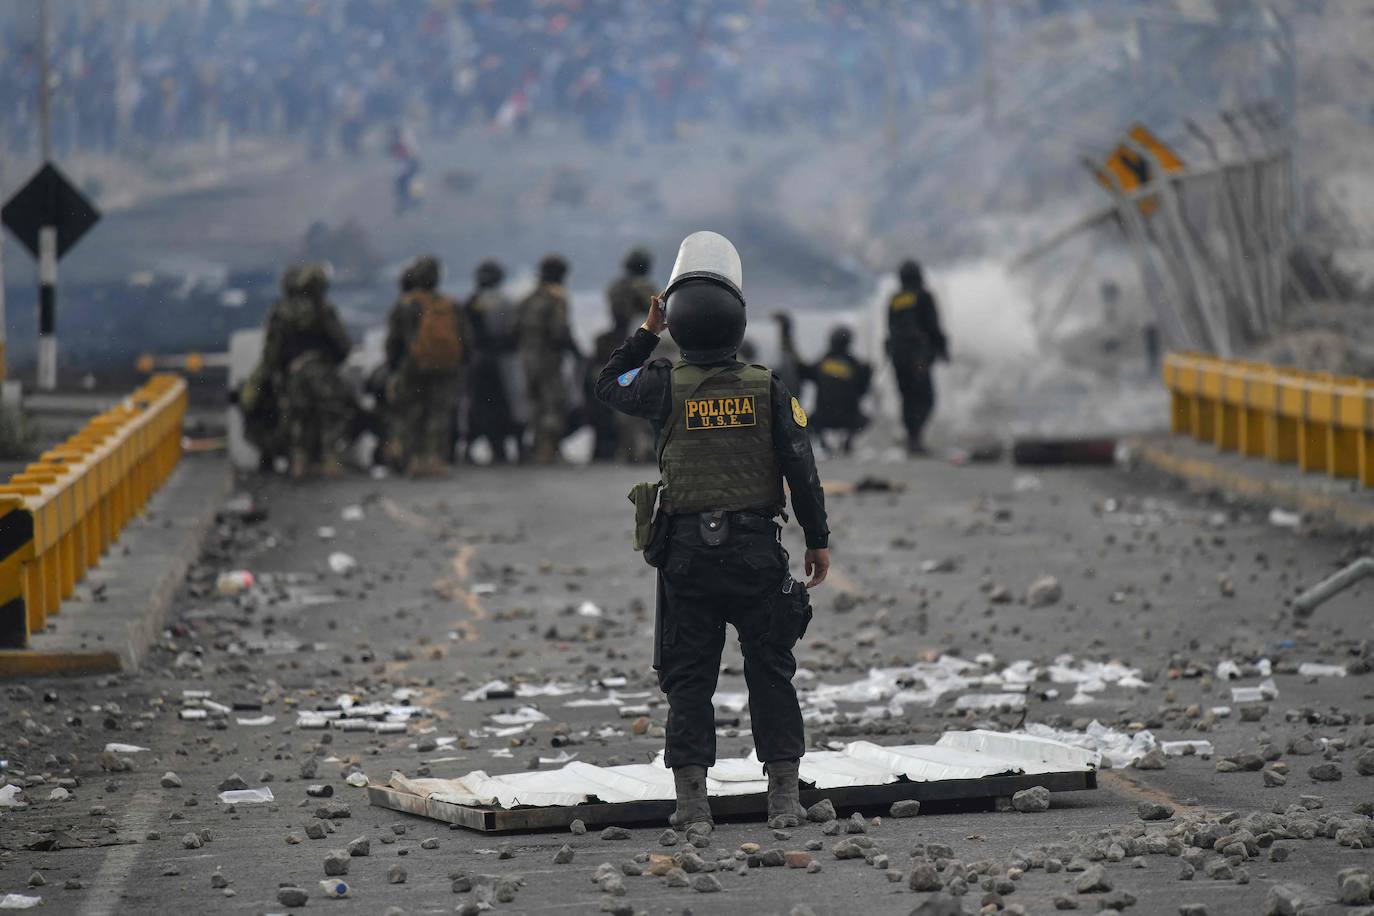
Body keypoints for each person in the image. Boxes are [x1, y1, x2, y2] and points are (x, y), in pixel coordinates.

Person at [595, 231, 830, 833]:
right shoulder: (767, 386)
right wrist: (818, 537)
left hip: (687, 558)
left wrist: (647, 333)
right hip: (756, 555)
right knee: (771, 674)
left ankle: (694, 806)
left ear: (680, 324)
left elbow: (606, 385)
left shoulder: (660, 385)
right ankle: (783, 801)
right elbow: (801, 466)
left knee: (690, 682)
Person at [261, 262, 353, 479]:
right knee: (332, 414)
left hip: (293, 373)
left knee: (298, 417)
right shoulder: (324, 309)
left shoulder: (280, 311)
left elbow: (271, 351)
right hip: (322, 372)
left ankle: (299, 464)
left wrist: (280, 371)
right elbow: (342, 345)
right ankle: (331, 461)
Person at [385, 255, 468, 475]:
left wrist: (392, 367)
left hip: (410, 367)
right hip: (444, 367)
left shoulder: (404, 304)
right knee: (438, 413)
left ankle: (413, 461)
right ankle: (435, 462)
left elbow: (393, 342)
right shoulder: (449, 304)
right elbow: (465, 338)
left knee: (413, 412)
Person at [517, 254, 580, 464]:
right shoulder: (557, 298)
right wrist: (577, 353)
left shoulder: (527, 299)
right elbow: (560, 332)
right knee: (553, 402)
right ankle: (549, 450)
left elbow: (512, 329)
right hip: (550, 359)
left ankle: (536, 448)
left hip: (527, 359)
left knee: (535, 403)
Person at [887, 259, 948, 455]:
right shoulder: (924, 296)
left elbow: (891, 329)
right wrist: (943, 349)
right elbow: (933, 326)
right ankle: (915, 438)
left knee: (907, 398)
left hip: (898, 357)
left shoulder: (894, 300)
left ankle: (912, 437)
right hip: (918, 358)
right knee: (926, 398)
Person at [464, 260, 521, 464]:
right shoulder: (507, 302)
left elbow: (467, 335)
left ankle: (470, 449)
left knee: (478, 405)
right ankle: (504, 450)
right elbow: (514, 333)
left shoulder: (471, 302)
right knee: (506, 404)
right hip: (504, 361)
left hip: (477, 360)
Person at [784, 324, 872, 455]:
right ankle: (848, 442)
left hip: (823, 417)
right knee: (866, 420)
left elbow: (803, 370)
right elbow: (863, 391)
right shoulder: (855, 364)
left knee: (807, 422)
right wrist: (869, 371)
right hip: (850, 418)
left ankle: (824, 444)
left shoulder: (823, 362)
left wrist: (786, 338)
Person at [605, 247, 658, 462]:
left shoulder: (615, 287)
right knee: (646, 392)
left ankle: (626, 448)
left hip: (620, 344)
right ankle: (643, 448)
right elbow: (655, 312)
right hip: (642, 342)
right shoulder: (644, 287)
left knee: (623, 392)